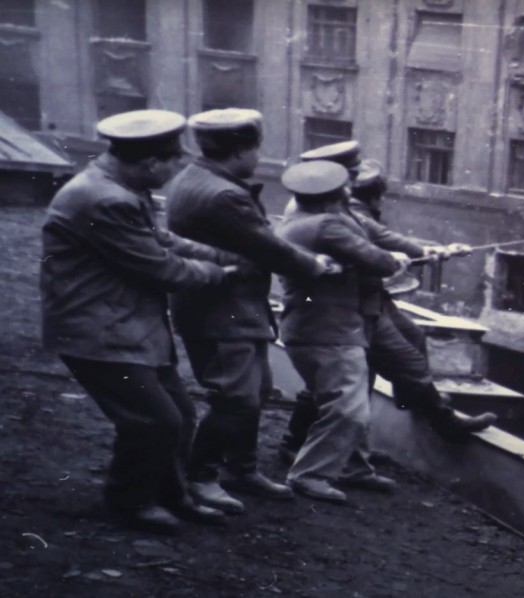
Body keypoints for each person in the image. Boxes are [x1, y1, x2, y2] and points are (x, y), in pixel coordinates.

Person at [41, 109, 237, 534]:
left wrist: (218, 254)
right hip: (96, 330)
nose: (175, 171)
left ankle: (171, 496)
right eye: (173, 163)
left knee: (180, 414)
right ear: (150, 163)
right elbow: (160, 268)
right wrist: (219, 273)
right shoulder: (104, 199)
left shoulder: (122, 186)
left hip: (127, 325)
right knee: (153, 420)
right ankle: (129, 503)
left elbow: (160, 239)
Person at [164, 109, 342, 514]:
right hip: (222, 310)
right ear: (241, 150)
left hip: (222, 305)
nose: (258, 158)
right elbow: (267, 247)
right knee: (237, 398)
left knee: (256, 391)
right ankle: (201, 475)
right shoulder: (225, 194)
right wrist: (315, 265)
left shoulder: (195, 177)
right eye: (256, 149)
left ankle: (240, 469)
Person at [280, 142, 492, 463]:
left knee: (383, 365)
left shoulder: (335, 203)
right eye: (350, 173)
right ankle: (322, 452)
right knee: (351, 381)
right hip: (341, 310)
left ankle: (349, 451)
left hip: (363, 303)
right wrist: (398, 260)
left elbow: (377, 235)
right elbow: (370, 251)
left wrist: (428, 251)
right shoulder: (321, 211)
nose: (354, 179)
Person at [274, 160, 409, 503]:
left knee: (347, 398)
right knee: (348, 408)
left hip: (313, 326)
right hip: (328, 329)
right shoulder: (327, 226)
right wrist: (396, 260)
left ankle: (353, 466)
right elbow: (378, 261)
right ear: (333, 198)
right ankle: (310, 474)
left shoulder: (296, 220)